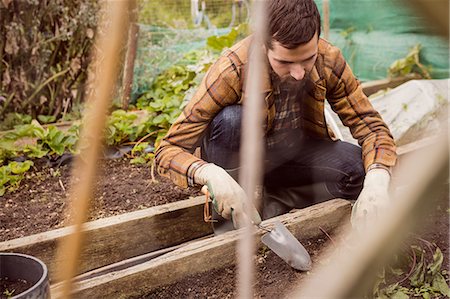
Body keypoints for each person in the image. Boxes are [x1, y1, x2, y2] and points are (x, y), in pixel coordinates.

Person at [155, 0, 397, 234]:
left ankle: (277, 199)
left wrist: (377, 179)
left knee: (358, 167)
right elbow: (167, 151)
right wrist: (210, 173)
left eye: (308, 59)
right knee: (231, 120)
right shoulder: (233, 69)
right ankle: (232, 213)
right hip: (241, 162)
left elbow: (371, 127)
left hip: (292, 156)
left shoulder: (328, 59)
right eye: (285, 62)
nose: (299, 73)